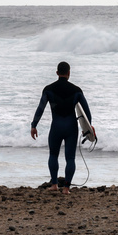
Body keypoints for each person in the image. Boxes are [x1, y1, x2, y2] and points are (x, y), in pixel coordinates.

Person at [31, 61, 94, 194]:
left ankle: (54, 184)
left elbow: (40, 108)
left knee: (53, 154)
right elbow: (87, 112)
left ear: (57, 73)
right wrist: (88, 127)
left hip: (56, 127)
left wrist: (34, 125)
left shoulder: (48, 89)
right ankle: (66, 188)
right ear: (69, 73)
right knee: (70, 158)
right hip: (71, 127)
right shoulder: (76, 90)